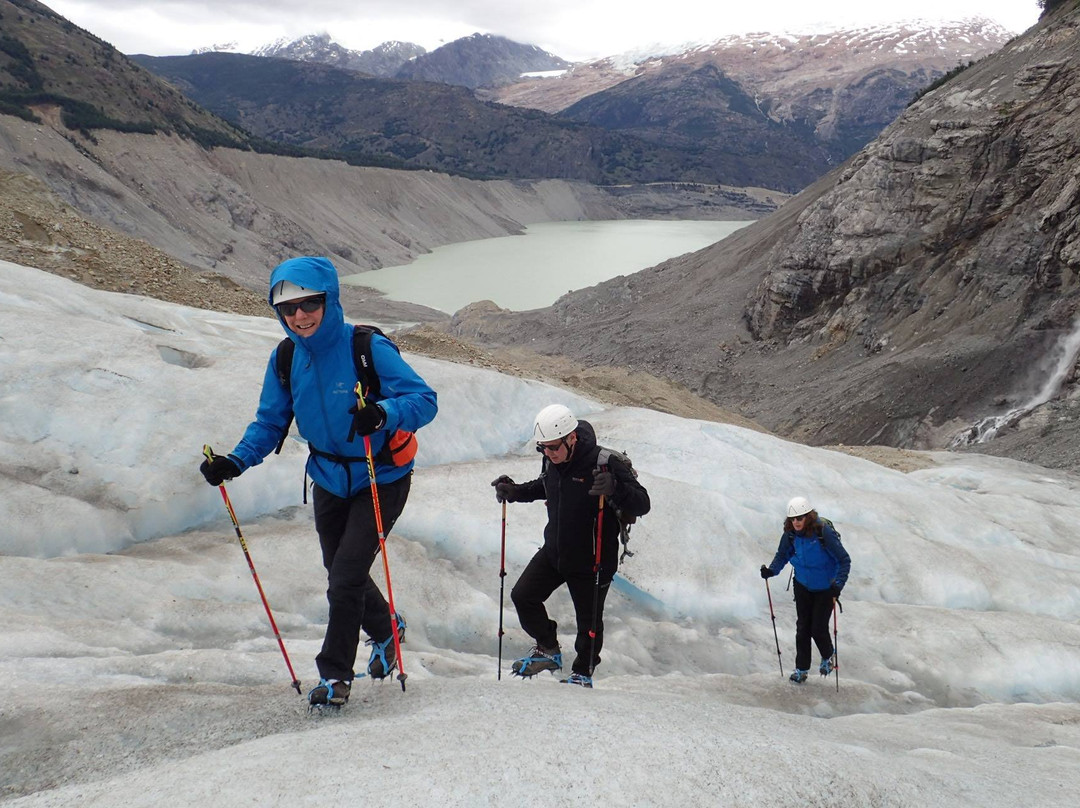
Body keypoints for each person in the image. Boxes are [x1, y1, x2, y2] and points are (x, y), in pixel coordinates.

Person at [199, 256, 437, 707]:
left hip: (379, 475)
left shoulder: (365, 348)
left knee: (345, 575)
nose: (299, 316)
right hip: (328, 476)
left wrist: (383, 413)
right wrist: (236, 460)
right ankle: (387, 629)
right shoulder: (288, 357)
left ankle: (335, 677)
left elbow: (424, 400)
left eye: (309, 303)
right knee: (340, 571)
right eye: (287, 308)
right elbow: (272, 421)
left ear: (329, 300)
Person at [492, 404, 650, 687]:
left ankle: (582, 673)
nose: (548, 455)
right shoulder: (552, 461)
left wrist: (615, 488)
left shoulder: (604, 463)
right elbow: (546, 485)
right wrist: (515, 492)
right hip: (555, 551)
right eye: (543, 449)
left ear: (572, 438)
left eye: (553, 448)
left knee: (588, 624)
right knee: (523, 596)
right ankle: (549, 649)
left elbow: (642, 503)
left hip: (593, 560)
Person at [760, 496, 850, 684]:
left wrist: (838, 586)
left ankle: (828, 656)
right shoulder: (791, 535)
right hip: (802, 585)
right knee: (802, 629)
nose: (796, 522)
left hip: (826, 587)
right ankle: (801, 669)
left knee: (817, 628)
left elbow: (844, 560)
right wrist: (771, 571)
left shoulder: (823, 533)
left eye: (799, 518)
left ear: (808, 517)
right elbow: (782, 555)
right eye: (792, 519)